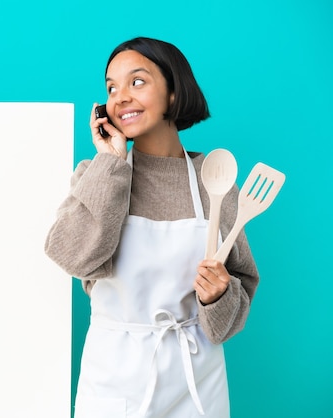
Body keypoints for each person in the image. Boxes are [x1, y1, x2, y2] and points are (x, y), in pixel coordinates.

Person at [44, 37, 259, 418]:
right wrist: (110, 162)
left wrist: (218, 297)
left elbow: (230, 314)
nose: (120, 96)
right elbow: (73, 257)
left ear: (174, 93)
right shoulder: (96, 175)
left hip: (197, 381)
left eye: (137, 82)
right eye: (111, 88)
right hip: (116, 378)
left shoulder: (215, 182)